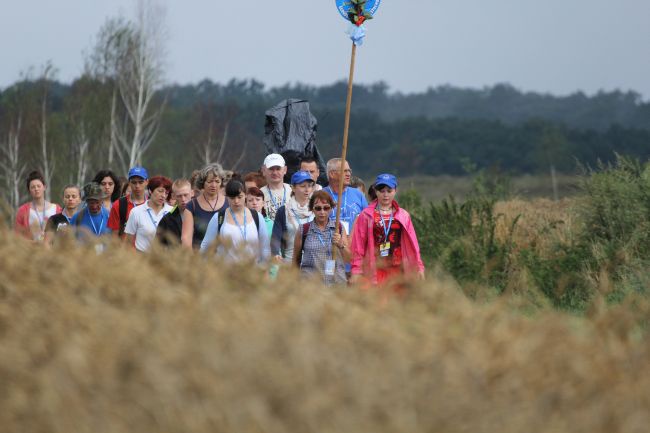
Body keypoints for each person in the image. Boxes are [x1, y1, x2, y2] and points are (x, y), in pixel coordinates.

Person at [350, 174, 425, 286]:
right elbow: (358, 246)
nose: (385, 195)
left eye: (389, 191)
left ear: (395, 191)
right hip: (374, 269)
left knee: (398, 302)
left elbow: (414, 245)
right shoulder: (366, 215)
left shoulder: (403, 215)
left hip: (398, 269)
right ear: (376, 191)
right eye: (382, 191)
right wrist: (356, 270)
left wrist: (419, 267)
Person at [200, 179, 270, 263]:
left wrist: (263, 270)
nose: (236, 201)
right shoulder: (218, 218)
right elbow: (205, 247)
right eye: (232, 198)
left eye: (239, 197)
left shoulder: (257, 217)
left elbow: (265, 248)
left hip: (252, 272)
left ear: (245, 195)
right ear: (227, 198)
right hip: (225, 272)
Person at [293, 190, 349, 285]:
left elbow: (349, 258)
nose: (322, 212)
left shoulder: (338, 228)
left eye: (326, 208)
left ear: (331, 208)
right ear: (312, 209)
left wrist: (341, 245)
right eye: (318, 208)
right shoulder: (304, 229)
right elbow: (295, 260)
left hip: (336, 285)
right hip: (311, 286)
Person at [271, 171, 314, 264]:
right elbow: (276, 237)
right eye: (303, 186)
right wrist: (275, 253)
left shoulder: (317, 209)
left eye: (309, 186)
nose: (307, 189)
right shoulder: (283, 210)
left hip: (313, 266)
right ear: (293, 188)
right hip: (290, 264)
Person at [181, 163, 228, 249]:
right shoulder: (192, 206)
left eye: (217, 181)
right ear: (203, 182)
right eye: (210, 181)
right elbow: (186, 238)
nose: (213, 185)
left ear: (221, 183)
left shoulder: (229, 203)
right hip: (199, 257)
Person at [124, 176, 173, 252]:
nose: (163, 195)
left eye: (166, 193)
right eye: (160, 191)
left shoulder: (172, 211)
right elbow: (128, 241)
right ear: (150, 191)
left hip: (165, 259)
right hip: (142, 258)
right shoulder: (136, 212)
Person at [323, 158, 368, 236]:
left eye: (349, 171)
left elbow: (368, 220)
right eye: (344, 171)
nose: (348, 174)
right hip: (328, 244)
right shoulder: (320, 195)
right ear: (332, 174)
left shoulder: (358, 194)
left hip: (354, 245)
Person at [15, 170, 61, 241]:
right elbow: (17, 236)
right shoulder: (22, 211)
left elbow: (63, 234)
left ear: (44, 187)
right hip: (31, 250)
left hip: (52, 251)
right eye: (33, 187)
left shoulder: (56, 209)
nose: (36, 189)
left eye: (38, 186)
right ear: (29, 190)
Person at [108, 166, 149, 238]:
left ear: (146, 182)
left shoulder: (152, 204)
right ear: (129, 183)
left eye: (141, 182)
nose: (137, 186)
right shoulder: (118, 205)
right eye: (134, 182)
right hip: (125, 249)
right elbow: (114, 236)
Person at [156, 178, 193, 246]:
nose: (183, 199)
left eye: (186, 195)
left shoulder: (200, 215)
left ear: (192, 193)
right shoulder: (166, 220)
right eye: (179, 196)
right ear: (173, 196)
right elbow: (158, 246)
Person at [260, 153, 292, 222]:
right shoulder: (259, 193)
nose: (274, 172)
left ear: (285, 170)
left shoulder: (294, 190)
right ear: (264, 170)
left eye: (278, 169)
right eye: (271, 169)